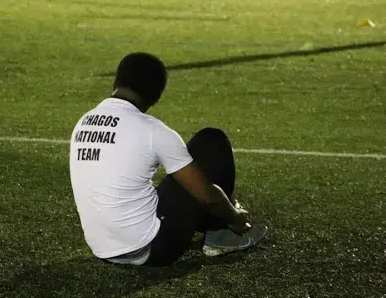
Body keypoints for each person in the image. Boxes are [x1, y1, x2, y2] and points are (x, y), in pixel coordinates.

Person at [69, 52, 267, 267]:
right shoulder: (152, 129)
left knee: (176, 179)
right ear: (156, 97)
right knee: (211, 141)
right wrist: (236, 218)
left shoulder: (84, 121)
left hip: (103, 249)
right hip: (152, 250)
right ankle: (222, 234)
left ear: (116, 81)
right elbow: (209, 197)